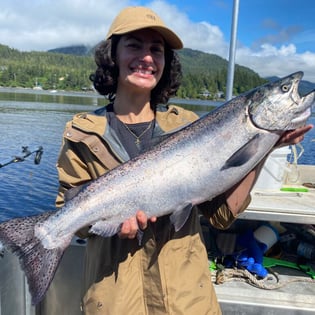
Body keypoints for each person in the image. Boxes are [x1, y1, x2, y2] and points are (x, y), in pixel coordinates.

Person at [55, 6, 312, 315]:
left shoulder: (188, 125)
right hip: (114, 301)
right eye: (134, 45)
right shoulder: (83, 133)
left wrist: (264, 148)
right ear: (113, 54)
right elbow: (68, 216)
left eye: (156, 49)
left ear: (166, 62)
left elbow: (220, 216)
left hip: (186, 301)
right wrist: (104, 222)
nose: (147, 57)